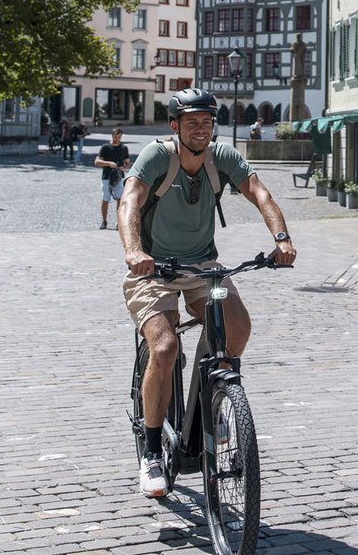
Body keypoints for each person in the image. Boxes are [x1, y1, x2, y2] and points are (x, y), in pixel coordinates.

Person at [121, 87, 298, 499]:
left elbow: (260, 192)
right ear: (175, 126)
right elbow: (130, 202)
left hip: (204, 271)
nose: (201, 129)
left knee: (234, 327)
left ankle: (211, 400)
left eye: (207, 122)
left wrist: (282, 237)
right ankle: (150, 453)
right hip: (155, 271)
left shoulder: (222, 156)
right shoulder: (156, 157)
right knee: (164, 349)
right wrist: (134, 250)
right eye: (192, 122)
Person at [94, 127, 132, 230]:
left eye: (119, 137)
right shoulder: (105, 147)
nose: (117, 139)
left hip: (119, 177)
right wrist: (109, 163)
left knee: (120, 199)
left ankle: (119, 222)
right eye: (116, 137)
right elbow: (97, 162)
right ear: (112, 136)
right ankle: (104, 221)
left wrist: (125, 168)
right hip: (107, 177)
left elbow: (127, 162)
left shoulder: (124, 148)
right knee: (105, 199)